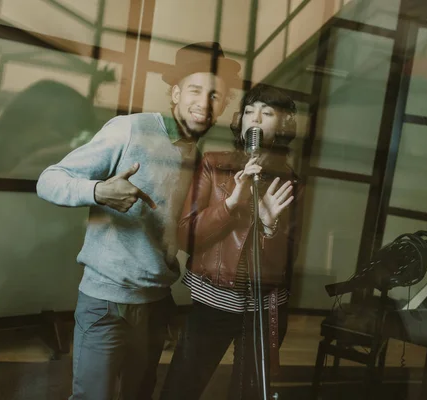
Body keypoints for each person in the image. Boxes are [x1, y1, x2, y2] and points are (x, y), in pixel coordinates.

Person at [36, 42, 241, 400]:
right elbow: (49, 180)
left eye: (215, 95)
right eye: (195, 90)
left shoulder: (197, 156)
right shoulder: (130, 129)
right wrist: (99, 191)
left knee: (139, 394)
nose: (204, 103)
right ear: (175, 93)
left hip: (156, 302)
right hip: (105, 300)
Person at [160, 84, 304, 400]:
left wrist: (269, 227)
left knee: (249, 393)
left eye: (267, 113)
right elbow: (186, 234)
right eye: (251, 111)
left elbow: (290, 255)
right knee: (181, 389)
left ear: (282, 125)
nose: (256, 118)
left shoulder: (289, 181)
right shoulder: (215, 163)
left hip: (266, 308)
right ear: (240, 120)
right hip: (213, 301)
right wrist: (230, 205)